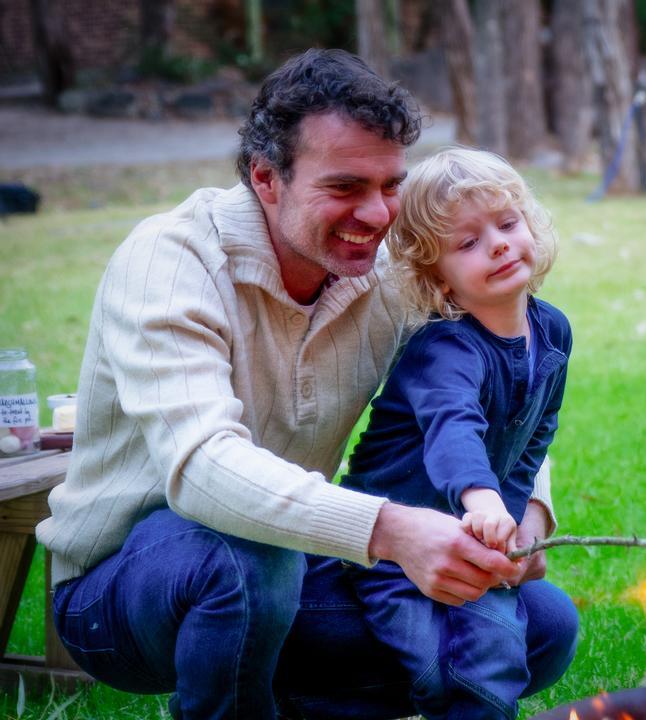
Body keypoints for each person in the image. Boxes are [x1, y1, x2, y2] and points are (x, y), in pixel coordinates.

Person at [36, 49, 577, 719]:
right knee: (247, 563)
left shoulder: (388, 274)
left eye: (389, 186)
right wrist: (392, 530)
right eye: (346, 187)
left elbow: (493, 387)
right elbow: (203, 468)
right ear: (266, 178)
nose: (378, 215)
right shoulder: (170, 260)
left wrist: (524, 514)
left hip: (295, 560)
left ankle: (305, 701)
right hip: (123, 589)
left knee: (538, 623)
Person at [324, 147, 571, 720]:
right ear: (438, 278)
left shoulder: (552, 330)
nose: (500, 244)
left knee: (492, 650)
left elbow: (536, 434)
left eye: (507, 224)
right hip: (394, 547)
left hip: (471, 534)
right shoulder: (445, 349)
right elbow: (451, 427)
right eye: (469, 243)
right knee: (439, 667)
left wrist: (508, 520)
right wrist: (479, 497)